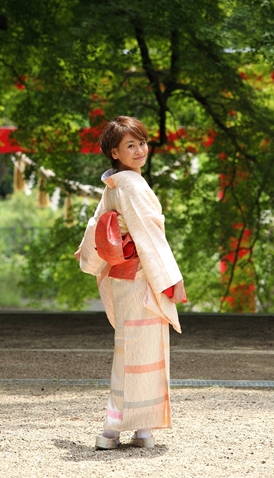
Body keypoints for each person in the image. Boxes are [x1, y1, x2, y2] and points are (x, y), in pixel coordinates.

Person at [74, 116, 186, 450]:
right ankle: (111, 429)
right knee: (136, 352)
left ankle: (141, 428)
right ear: (114, 152)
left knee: (138, 350)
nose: (140, 151)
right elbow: (149, 236)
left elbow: (95, 225)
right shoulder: (131, 185)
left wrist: (88, 251)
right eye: (130, 146)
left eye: (142, 143)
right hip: (139, 278)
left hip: (129, 278)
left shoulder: (117, 183)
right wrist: (171, 279)